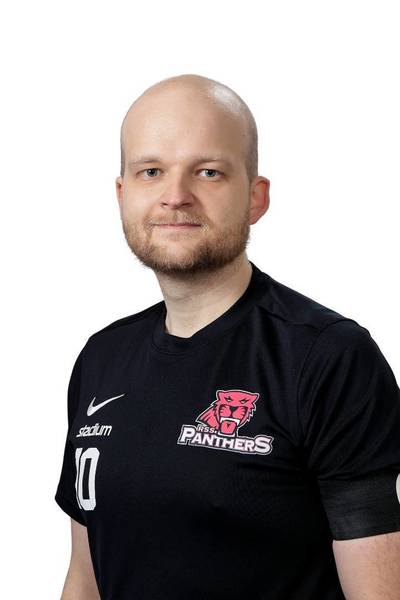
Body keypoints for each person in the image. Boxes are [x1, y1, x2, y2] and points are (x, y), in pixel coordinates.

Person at [54, 73, 400, 600]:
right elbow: (85, 579)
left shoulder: (328, 358)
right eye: (151, 171)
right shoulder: (101, 359)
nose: (175, 196)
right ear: (123, 194)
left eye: (209, 172)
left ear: (255, 198)